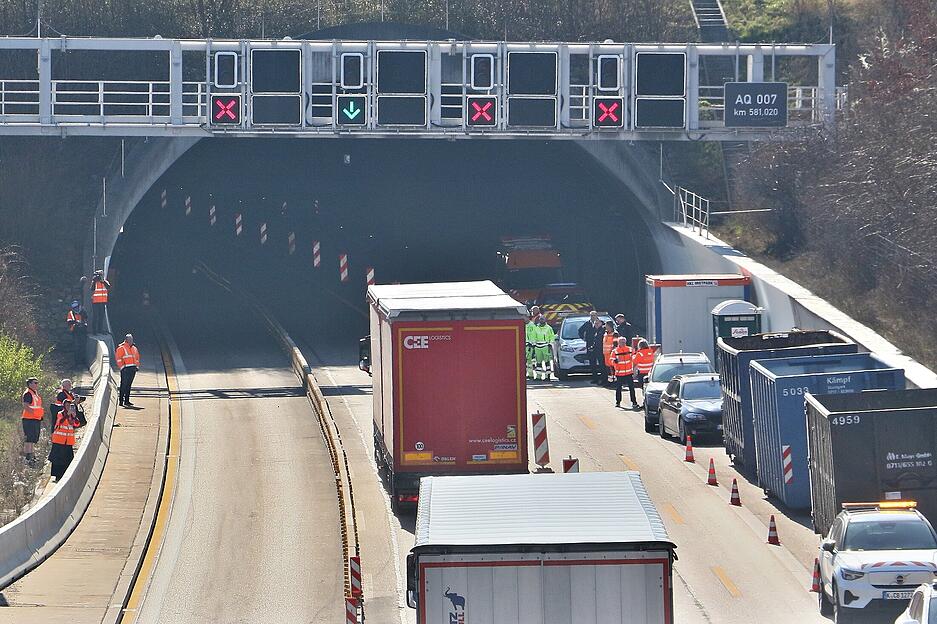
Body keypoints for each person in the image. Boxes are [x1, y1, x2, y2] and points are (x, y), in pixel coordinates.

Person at [49, 400, 85, 482]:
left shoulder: (72, 415)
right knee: (57, 460)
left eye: (70, 405)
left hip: (68, 441)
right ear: (64, 406)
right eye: (67, 405)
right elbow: (60, 422)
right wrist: (67, 415)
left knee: (68, 459)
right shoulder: (60, 414)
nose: (68, 407)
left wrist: (74, 416)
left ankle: (66, 475)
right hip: (59, 440)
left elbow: (77, 424)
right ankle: (58, 476)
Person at [611, 338, 638, 409]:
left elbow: (634, 357)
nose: (623, 343)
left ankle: (634, 402)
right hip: (620, 373)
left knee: (631, 388)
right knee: (618, 388)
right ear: (618, 343)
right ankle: (618, 402)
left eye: (624, 342)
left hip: (629, 372)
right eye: (621, 342)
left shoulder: (630, 349)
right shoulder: (615, 351)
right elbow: (611, 360)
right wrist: (615, 361)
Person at [21, 377, 44, 463]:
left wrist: (38, 415)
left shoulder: (34, 393)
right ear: (30, 384)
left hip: (35, 419)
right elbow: (25, 406)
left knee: (33, 438)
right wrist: (35, 414)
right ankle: (28, 457)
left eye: (37, 383)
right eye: (35, 383)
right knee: (29, 438)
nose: (37, 384)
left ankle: (32, 456)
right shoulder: (28, 393)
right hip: (29, 419)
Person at [115, 334, 141, 407]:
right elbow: (118, 359)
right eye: (129, 340)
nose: (131, 341)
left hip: (133, 369)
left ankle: (127, 401)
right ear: (126, 340)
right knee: (124, 385)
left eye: (131, 339)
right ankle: (121, 401)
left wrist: (137, 366)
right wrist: (122, 368)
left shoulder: (134, 348)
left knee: (129, 385)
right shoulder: (121, 348)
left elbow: (137, 358)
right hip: (125, 369)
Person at [529, 314, 556, 381]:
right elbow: (533, 336)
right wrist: (533, 344)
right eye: (540, 319)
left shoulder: (549, 328)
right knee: (538, 362)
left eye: (542, 319)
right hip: (538, 346)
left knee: (547, 362)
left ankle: (547, 376)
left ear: (545, 320)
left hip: (545, 346)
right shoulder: (536, 328)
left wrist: (550, 343)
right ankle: (538, 376)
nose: (541, 320)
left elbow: (552, 336)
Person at [66, 300, 88, 365]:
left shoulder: (83, 311)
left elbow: (86, 319)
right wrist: (76, 323)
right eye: (74, 308)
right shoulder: (71, 313)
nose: (76, 309)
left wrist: (83, 324)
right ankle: (77, 362)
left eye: (77, 307)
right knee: (76, 346)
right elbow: (69, 322)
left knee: (83, 346)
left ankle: (83, 361)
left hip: (83, 330)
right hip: (75, 331)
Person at [602, 321, 617, 385]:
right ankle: (610, 382)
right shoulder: (605, 333)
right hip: (606, 354)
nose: (605, 327)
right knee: (608, 368)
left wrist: (613, 352)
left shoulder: (615, 334)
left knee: (613, 368)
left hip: (611, 354)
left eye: (606, 325)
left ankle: (614, 381)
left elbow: (616, 345)